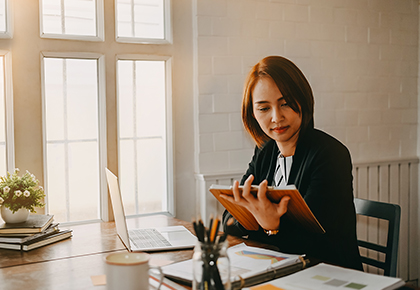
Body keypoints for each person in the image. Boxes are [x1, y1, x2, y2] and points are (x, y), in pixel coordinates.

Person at [220, 56, 363, 271]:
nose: (276, 117)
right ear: (253, 114)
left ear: (303, 100)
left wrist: (270, 225)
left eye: (285, 103)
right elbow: (229, 221)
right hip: (279, 271)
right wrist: (256, 218)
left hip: (328, 274)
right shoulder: (265, 151)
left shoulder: (330, 154)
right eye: (264, 108)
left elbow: (313, 241)